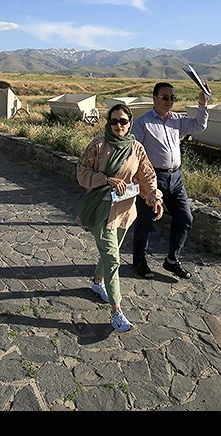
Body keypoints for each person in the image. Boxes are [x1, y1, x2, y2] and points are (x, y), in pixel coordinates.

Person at [76, 103, 163, 333]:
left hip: (125, 211)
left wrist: (154, 197)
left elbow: (147, 174)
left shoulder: (136, 148)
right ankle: (116, 311)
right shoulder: (98, 145)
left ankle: (97, 282)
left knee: (110, 252)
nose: (118, 126)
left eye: (123, 121)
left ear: (130, 123)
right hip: (101, 209)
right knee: (113, 259)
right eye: (114, 121)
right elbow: (82, 172)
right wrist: (106, 179)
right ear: (108, 123)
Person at [130, 82, 209, 280]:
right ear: (154, 98)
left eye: (172, 98)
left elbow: (199, 125)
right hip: (151, 178)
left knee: (185, 218)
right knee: (145, 223)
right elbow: (133, 153)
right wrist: (139, 180)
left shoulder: (177, 120)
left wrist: (202, 104)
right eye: (165, 97)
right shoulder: (143, 123)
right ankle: (139, 261)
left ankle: (172, 260)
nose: (169, 101)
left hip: (176, 178)